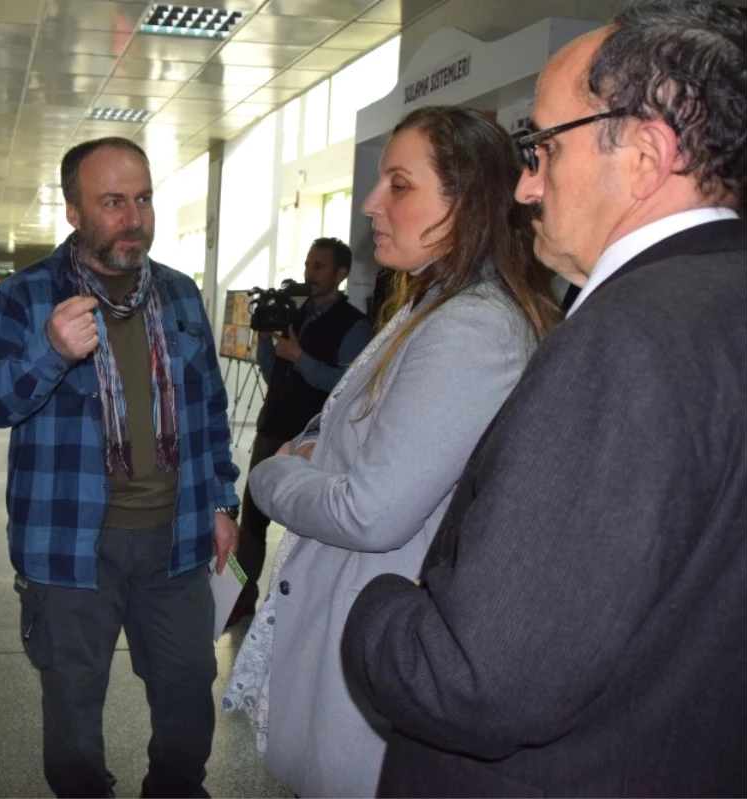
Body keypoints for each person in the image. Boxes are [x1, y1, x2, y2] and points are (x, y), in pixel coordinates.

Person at [343, 2, 747, 796]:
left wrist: (384, 611)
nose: (527, 186)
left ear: (644, 155)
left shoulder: (623, 341)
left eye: (542, 147)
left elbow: (475, 677)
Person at [222, 106, 560, 798]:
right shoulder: (431, 305)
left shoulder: (470, 328)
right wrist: (322, 446)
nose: (373, 204)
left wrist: (270, 476)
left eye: (399, 186)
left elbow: (370, 510)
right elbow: (357, 426)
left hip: (373, 645)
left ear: (465, 203)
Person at [0, 136, 240, 799]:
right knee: (72, 703)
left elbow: (207, 407)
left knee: (187, 691)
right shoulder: (27, 297)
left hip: (174, 540)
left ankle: (173, 789)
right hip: (69, 546)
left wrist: (222, 500)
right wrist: (51, 353)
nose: (133, 216)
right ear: (74, 212)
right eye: (112, 201)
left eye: (142, 198)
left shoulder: (177, 294)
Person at [232, 237, 372, 623]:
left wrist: (300, 358)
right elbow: (272, 371)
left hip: (316, 442)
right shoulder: (293, 313)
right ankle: (239, 599)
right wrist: (266, 341)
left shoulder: (355, 326)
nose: (310, 273)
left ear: (340, 274)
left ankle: (298, 612)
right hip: (272, 428)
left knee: (307, 528)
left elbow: (347, 387)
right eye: (309, 264)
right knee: (251, 524)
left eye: (320, 267)